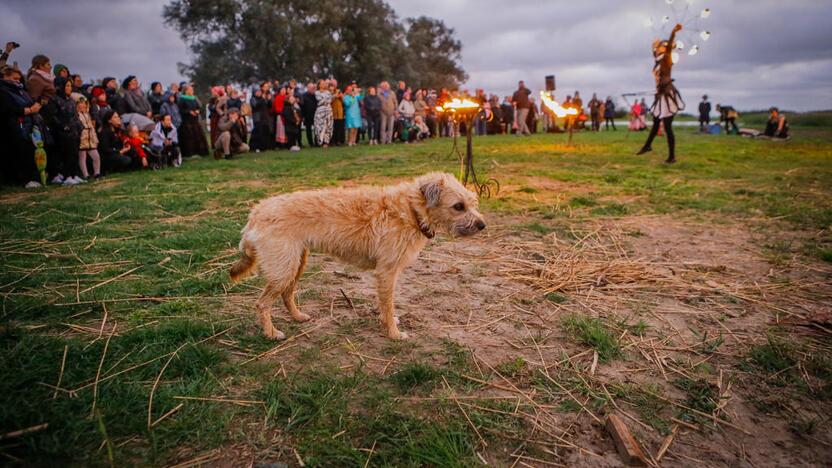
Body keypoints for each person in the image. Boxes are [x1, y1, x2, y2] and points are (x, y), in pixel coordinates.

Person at [637, 24, 685, 164]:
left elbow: (670, 47)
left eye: (662, 46)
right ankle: (647, 146)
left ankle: (671, 157)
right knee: (656, 122)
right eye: (659, 47)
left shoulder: (666, 59)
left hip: (668, 96)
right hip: (661, 96)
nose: (660, 48)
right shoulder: (657, 63)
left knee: (668, 127)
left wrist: (673, 33)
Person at [0, 64, 43, 187]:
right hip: (11, 128)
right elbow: (7, 109)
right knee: (18, 154)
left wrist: (35, 106)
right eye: (15, 78)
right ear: (5, 77)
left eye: (19, 79)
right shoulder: (3, 91)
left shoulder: (20, 90)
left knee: (28, 151)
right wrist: (29, 110)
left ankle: (30, 178)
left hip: (27, 126)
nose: (18, 81)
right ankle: (23, 180)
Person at [45, 76, 84, 184]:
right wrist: (63, 127)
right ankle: (66, 176)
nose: (69, 88)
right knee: (66, 154)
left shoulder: (71, 101)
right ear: (60, 87)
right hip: (61, 133)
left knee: (74, 153)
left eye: (70, 86)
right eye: (67, 85)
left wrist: (80, 127)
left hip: (74, 131)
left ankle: (74, 174)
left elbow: (75, 116)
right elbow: (52, 116)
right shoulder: (54, 99)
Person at [177, 84, 209, 157]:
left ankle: (199, 152)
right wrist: (189, 112)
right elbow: (180, 110)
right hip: (187, 121)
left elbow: (199, 107)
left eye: (192, 90)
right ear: (186, 91)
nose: (192, 91)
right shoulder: (181, 99)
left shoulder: (194, 98)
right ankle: (190, 153)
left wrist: (198, 111)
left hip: (195, 120)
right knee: (189, 138)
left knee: (198, 136)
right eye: (190, 90)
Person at [76, 97, 101, 180]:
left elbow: (92, 128)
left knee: (96, 156)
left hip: (90, 138)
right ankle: (85, 174)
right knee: (82, 157)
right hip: (82, 138)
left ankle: (97, 173)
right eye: (80, 103)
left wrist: (95, 138)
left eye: (84, 103)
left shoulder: (88, 115)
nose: (82, 105)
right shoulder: (76, 115)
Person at [250, 82, 274, 151]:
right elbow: (256, 105)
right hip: (258, 119)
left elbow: (269, 106)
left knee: (265, 133)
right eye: (257, 92)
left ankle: (264, 147)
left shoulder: (262, 98)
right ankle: (257, 147)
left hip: (265, 118)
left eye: (259, 92)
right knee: (258, 134)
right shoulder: (253, 99)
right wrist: (263, 99)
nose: (259, 93)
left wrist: (269, 100)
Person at [314, 79, 334, 148]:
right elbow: (319, 100)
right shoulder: (317, 92)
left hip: (328, 110)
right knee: (320, 126)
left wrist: (325, 99)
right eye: (322, 83)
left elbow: (330, 100)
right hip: (320, 111)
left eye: (324, 83)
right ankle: (320, 141)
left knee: (328, 126)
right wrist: (326, 99)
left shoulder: (328, 92)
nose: (323, 84)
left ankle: (326, 142)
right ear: (319, 85)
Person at [301, 82, 318, 147]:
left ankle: (317, 142)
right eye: (311, 88)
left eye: (313, 88)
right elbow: (302, 106)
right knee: (308, 130)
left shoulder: (315, 95)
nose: (312, 89)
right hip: (307, 115)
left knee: (317, 129)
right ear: (308, 88)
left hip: (315, 115)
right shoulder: (304, 96)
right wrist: (303, 116)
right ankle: (311, 143)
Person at [331, 79, 345, 146]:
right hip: (332, 112)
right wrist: (335, 95)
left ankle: (339, 141)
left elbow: (343, 101)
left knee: (339, 127)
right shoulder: (329, 91)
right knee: (333, 128)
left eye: (335, 84)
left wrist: (341, 97)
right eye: (333, 84)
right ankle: (333, 141)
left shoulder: (339, 90)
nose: (334, 85)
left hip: (339, 112)